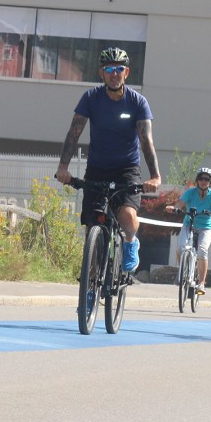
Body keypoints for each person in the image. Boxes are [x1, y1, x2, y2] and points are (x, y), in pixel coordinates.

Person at [55, 47, 161, 274]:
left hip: (127, 169)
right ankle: (91, 284)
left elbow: (146, 141)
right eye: (109, 69)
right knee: (92, 225)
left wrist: (154, 176)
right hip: (97, 168)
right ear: (101, 73)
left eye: (119, 69)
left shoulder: (137, 102)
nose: (114, 73)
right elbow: (74, 133)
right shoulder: (91, 98)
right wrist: (63, 167)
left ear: (127, 72)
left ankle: (131, 242)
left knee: (127, 214)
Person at [165, 167, 211, 294]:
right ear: (197, 180)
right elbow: (180, 203)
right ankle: (182, 272)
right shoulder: (191, 192)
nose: (203, 181)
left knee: (202, 251)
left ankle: (202, 283)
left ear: (210, 182)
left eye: (207, 179)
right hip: (189, 224)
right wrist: (174, 208)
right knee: (181, 247)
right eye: (201, 178)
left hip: (206, 228)